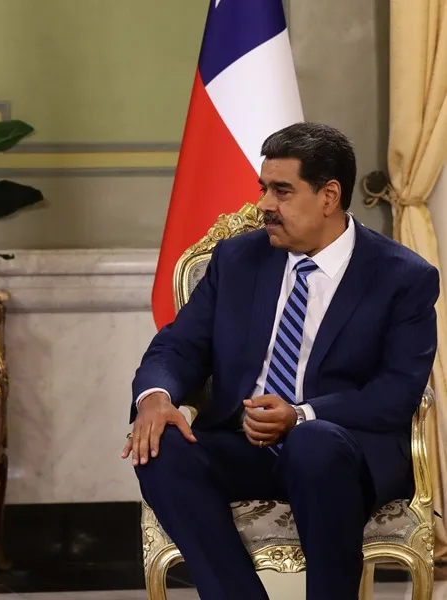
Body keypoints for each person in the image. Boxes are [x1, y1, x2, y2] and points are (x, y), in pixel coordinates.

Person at [122, 122, 438, 600]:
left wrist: (301, 415)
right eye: (263, 188)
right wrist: (155, 397)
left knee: (313, 442)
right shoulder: (237, 259)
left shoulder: (402, 277)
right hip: (241, 443)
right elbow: (177, 346)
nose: (264, 205)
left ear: (328, 196)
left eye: (282, 191)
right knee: (158, 445)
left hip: (343, 451)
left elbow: (396, 392)